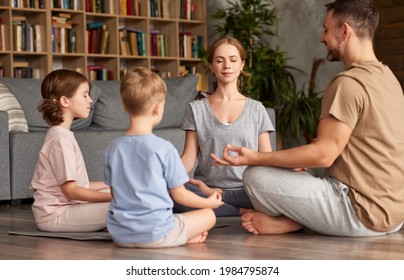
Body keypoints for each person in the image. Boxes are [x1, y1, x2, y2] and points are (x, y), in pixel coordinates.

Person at [211, 0, 404, 237]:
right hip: (394, 211)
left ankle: (294, 222)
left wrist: (256, 157)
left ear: (344, 31)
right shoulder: (388, 78)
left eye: (326, 29)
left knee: (254, 176)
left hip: (362, 213)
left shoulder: (348, 83)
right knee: (299, 165)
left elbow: (324, 155)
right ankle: (296, 220)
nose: (322, 38)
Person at [103, 67, 223, 248]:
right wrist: (209, 202)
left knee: (174, 218)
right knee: (208, 215)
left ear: (124, 105)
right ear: (159, 107)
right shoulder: (164, 149)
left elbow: (115, 193)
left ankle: (181, 236)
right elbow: (181, 195)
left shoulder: (112, 148)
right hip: (156, 234)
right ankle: (180, 238)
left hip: (120, 235)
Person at [174, 37, 274, 217]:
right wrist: (165, 178)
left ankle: (220, 201)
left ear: (242, 65)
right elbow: (188, 158)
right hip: (205, 188)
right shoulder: (196, 108)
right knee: (172, 192)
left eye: (233, 60)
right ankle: (239, 210)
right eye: (219, 60)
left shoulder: (257, 109)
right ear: (212, 66)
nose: (227, 65)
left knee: (273, 189)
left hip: (247, 190)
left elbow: (265, 158)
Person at [30, 69, 112, 232]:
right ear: (65, 101)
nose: (90, 100)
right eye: (84, 95)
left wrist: (111, 185)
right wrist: (114, 196)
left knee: (120, 191)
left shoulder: (63, 135)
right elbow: (71, 191)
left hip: (69, 207)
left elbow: (82, 185)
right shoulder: (60, 140)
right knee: (128, 202)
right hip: (55, 215)